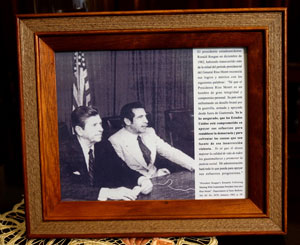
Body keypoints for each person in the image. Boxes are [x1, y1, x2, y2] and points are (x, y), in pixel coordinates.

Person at [59, 106, 153, 201]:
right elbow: (63, 187)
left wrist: (141, 179)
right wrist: (106, 192)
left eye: (100, 124)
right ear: (79, 130)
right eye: (94, 125)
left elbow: (121, 169)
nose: (101, 129)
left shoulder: (103, 144)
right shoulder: (64, 150)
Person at [108, 102, 195, 178]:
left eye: (145, 116)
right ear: (127, 121)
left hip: (157, 178)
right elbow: (123, 172)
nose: (146, 121)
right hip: (135, 185)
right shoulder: (115, 140)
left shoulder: (149, 132)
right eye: (140, 117)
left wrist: (194, 165)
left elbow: (170, 152)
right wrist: (150, 178)